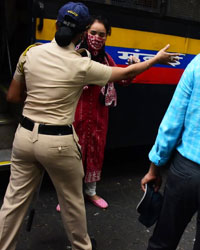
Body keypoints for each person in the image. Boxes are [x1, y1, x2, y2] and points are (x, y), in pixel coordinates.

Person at [0, 1, 178, 249]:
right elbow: (126, 73)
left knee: (13, 202)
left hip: (24, 136)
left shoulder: (29, 53)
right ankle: (82, 246)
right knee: (73, 203)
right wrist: (156, 59)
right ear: (83, 33)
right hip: (59, 143)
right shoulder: (82, 64)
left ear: (55, 24)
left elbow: (13, 97)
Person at [56, 15, 139, 212]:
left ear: (107, 37)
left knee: (95, 150)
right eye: (93, 33)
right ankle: (68, 196)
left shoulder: (106, 58)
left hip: (99, 115)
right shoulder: (75, 55)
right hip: (76, 112)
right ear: (85, 32)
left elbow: (123, 80)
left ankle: (91, 191)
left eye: (102, 34)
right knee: (73, 152)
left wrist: (132, 68)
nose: (96, 37)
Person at [141, 53, 200, 250]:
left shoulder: (198, 63)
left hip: (187, 171)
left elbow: (173, 121)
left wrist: (154, 169)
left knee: (163, 242)